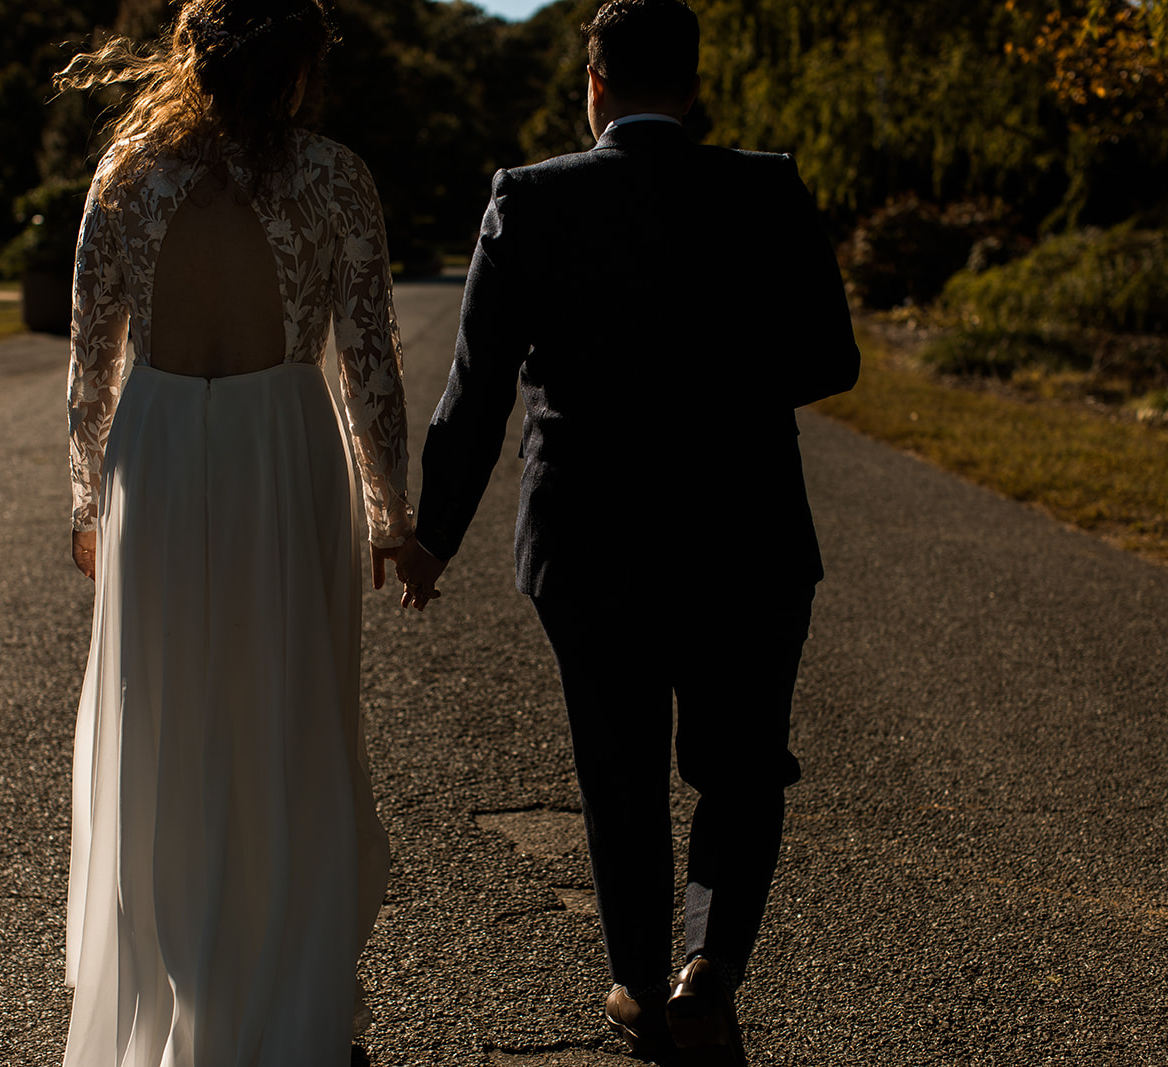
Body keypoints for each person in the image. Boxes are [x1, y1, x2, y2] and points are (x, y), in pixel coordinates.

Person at [393, 2, 859, 1064]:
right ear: (693, 90)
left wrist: (434, 536)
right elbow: (832, 359)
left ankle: (642, 985)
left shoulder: (531, 198)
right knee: (742, 762)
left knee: (619, 763)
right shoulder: (765, 187)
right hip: (747, 527)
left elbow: (474, 393)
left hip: (585, 531)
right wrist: (723, 383)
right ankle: (711, 966)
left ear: (591, 85)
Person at [55, 2, 413, 1063]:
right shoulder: (336, 175)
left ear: (190, 59)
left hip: (159, 452)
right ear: (299, 68)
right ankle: (282, 996)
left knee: (167, 722)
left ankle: (183, 998)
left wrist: (88, 500)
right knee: (287, 715)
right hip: (280, 442)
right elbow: (372, 360)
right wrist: (394, 510)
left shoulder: (126, 174)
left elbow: (89, 362)